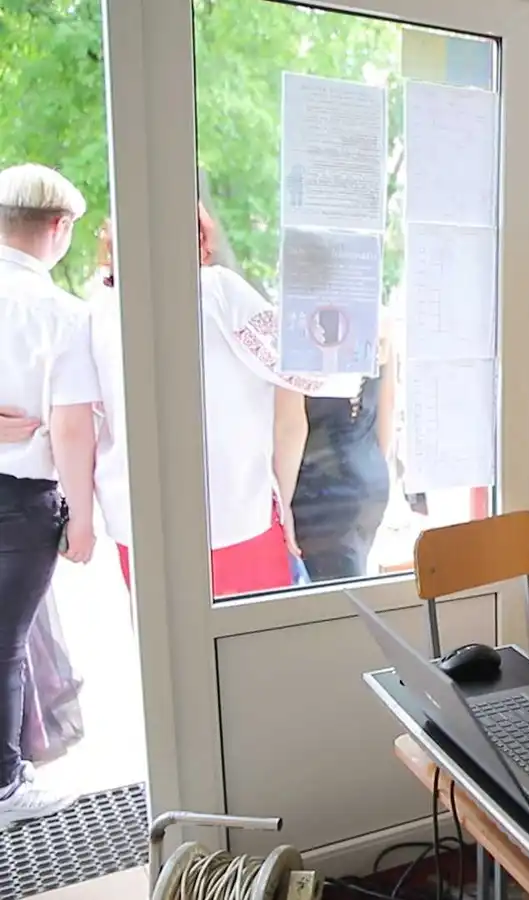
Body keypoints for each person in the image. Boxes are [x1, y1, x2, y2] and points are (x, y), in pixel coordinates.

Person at [88, 208, 321, 598]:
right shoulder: (217, 290)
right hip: (234, 513)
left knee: (166, 633)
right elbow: (300, 376)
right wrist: (283, 502)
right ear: (200, 239)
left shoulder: (99, 310)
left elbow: (87, 418)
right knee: (254, 630)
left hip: (138, 520)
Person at [0, 163, 97, 826]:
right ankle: (6, 786)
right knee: (6, 645)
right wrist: (81, 520)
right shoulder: (61, 313)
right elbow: (71, 425)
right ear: (59, 228)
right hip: (20, 503)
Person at [290, 318, 395, 582]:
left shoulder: (300, 326)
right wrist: (369, 465)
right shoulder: (379, 322)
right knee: (350, 584)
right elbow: (387, 408)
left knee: (325, 597)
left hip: (317, 484)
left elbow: (290, 427)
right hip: (369, 474)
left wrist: (282, 502)